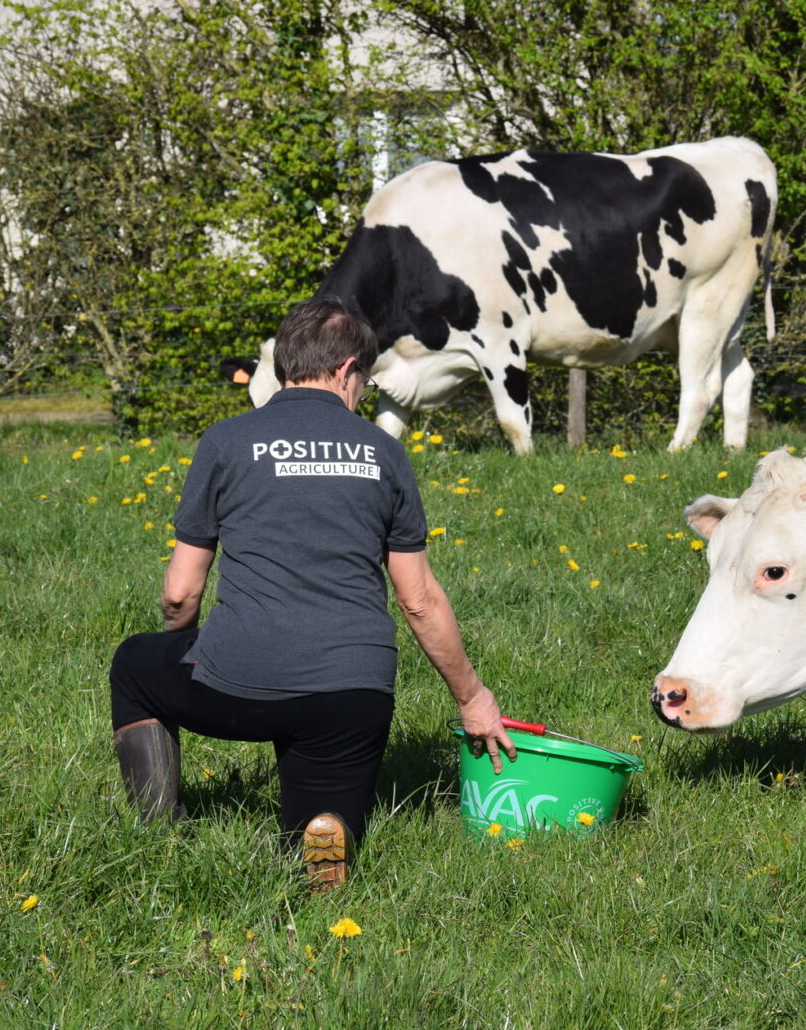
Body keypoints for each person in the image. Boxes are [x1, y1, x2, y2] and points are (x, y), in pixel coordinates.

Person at [109, 295, 515, 891]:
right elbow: (419, 599)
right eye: (366, 381)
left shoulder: (226, 441)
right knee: (315, 825)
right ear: (349, 370)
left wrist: (185, 645)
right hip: (351, 692)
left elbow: (179, 592)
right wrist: (472, 697)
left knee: (134, 665)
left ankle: (159, 837)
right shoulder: (385, 453)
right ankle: (320, 830)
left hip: (237, 680)